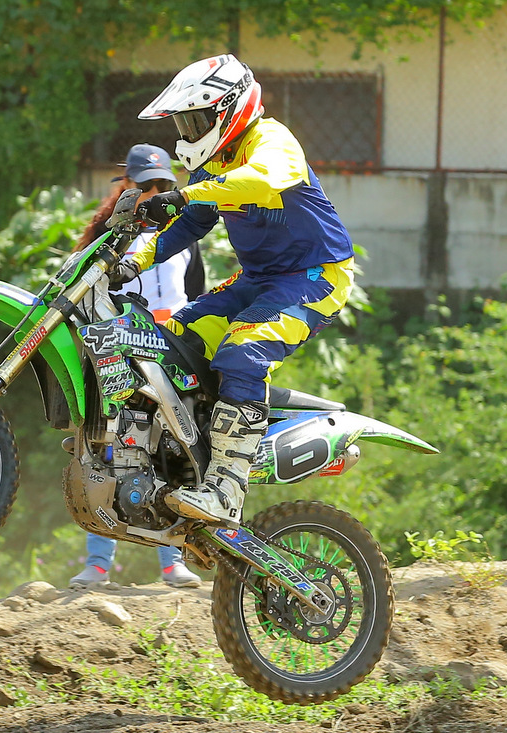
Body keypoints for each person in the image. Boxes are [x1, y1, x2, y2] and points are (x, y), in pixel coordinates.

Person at [118, 54, 355, 526]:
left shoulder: (272, 141)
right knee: (169, 341)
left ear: (229, 109)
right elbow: (190, 224)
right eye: (183, 123)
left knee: (244, 350)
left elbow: (259, 181)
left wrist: (186, 193)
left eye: (196, 121)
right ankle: (180, 460)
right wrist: (131, 262)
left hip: (315, 276)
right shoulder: (214, 160)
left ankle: (226, 490)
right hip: (258, 278)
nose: (188, 132)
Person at [68, 144, 204, 590]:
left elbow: (197, 295)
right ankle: (97, 564)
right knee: (111, 450)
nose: (154, 192)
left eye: (163, 184)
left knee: (173, 451)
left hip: (172, 353)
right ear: (126, 184)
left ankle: (173, 561)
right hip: (122, 351)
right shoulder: (111, 236)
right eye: (146, 184)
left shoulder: (184, 235)